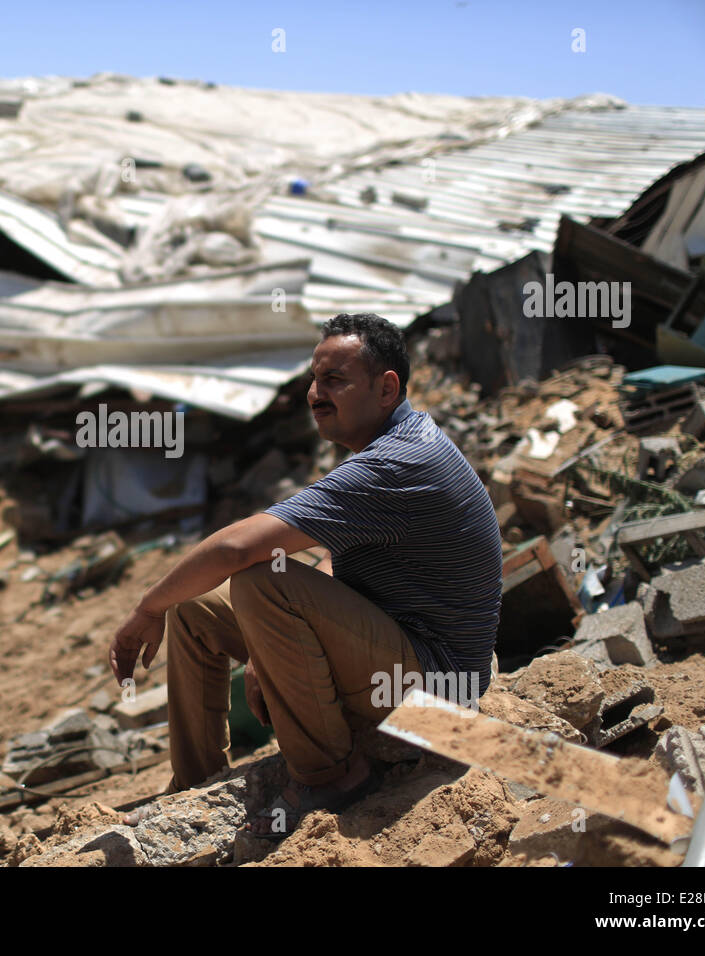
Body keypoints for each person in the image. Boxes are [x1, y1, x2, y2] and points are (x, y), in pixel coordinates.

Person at [107, 313, 502, 838]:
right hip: (402, 658)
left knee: (260, 582)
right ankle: (196, 783)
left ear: (386, 388)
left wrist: (145, 608)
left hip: (438, 695)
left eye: (335, 381)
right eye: (314, 381)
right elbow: (339, 555)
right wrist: (272, 653)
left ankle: (333, 776)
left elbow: (237, 546)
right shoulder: (393, 445)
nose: (316, 394)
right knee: (195, 604)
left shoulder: (397, 462)